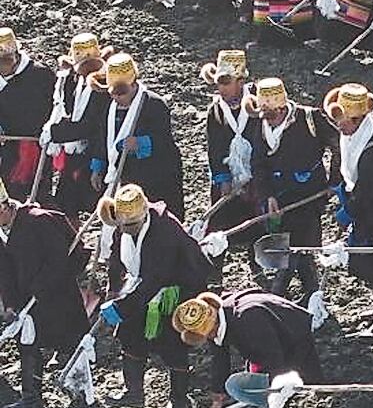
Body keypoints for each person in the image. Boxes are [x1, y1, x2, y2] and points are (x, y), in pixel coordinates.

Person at [173, 288, 320, 408]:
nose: (209, 339)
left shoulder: (248, 321)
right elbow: (220, 357)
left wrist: (275, 394)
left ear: (213, 324)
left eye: (208, 335)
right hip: (267, 342)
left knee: (275, 394)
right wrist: (217, 399)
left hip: (292, 340)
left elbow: (275, 364)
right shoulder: (215, 316)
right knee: (252, 373)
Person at [96, 184, 212, 408]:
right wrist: (113, 291)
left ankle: (178, 402)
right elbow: (116, 259)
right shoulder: (124, 225)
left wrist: (122, 307)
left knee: (172, 343)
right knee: (130, 332)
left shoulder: (164, 232)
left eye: (131, 226)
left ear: (144, 214)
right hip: (144, 283)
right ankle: (134, 393)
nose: (126, 230)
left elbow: (154, 280)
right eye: (123, 226)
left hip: (177, 288)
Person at [236, 77, 332, 308]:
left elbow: (338, 145)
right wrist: (267, 195)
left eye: (270, 110)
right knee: (292, 244)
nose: (267, 115)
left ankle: (280, 293)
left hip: (308, 195)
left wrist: (334, 182)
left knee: (301, 243)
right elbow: (258, 163)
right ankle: (310, 291)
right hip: (279, 197)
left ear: (282, 105)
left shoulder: (310, 118)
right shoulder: (261, 125)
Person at [0, 182, 88, 408]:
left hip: (58, 297)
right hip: (26, 301)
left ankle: (81, 390)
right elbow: (4, 270)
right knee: (28, 345)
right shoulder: (2, 231)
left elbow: (66, 257)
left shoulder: (40, 221)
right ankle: (31, 398)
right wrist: (10, 303)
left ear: (5, 208)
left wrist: (43, 286)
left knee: (70, 341)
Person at [325, 83, 373, 338]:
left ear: (358, 118)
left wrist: (346, 213)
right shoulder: (355, 134)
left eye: (343, 122)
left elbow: (367, 191)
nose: (340, 127)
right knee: (369, 264)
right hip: (367, 207)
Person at [91, 53, 183, 218]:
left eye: (122, 93)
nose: (117, 97)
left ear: (134, 84)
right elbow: (102, 137)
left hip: (155, 175)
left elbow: (164, 141)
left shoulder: (154, 105)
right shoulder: (109, 108)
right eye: (113, 93)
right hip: (124, 173)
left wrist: (141, 143)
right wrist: (98, 168)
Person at [40, 34, 108, 217]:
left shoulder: (102, 86)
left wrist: (56, 132)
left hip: (95, 152)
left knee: (99, 205)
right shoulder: (75, 80)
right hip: (74, 153)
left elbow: (91, 125)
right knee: (65, 203)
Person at [199, 49, 257, 252]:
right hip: (228, 176)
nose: (221, 89)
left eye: (226, 83)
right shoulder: (215, 112)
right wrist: (223, 179)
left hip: (257, 174)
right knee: (219, 222)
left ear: (240, 82)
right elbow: (214, 149)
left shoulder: (258, 103)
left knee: (258, 222)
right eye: (218, 84)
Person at [0, 28, 52, 199]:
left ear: (14, 57)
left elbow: (56, 108)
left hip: (37, 146)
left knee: (38, 196)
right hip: (7, 147)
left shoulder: (40, 75)